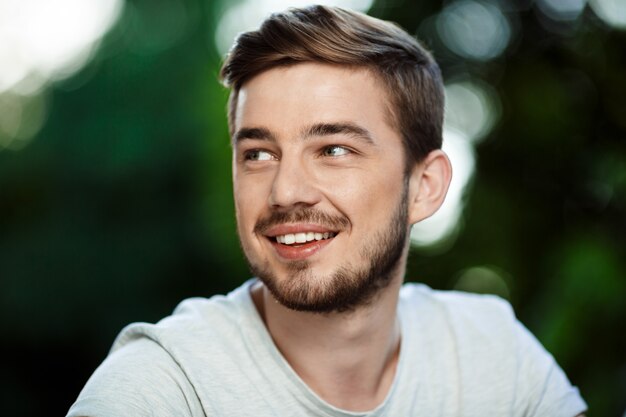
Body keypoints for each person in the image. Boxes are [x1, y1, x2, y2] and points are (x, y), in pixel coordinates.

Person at [67, 5, 587, 416]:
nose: (284, 191)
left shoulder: (493, 356)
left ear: (425, 187)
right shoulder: (161, 390)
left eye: (334, 149)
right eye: (259, 154)